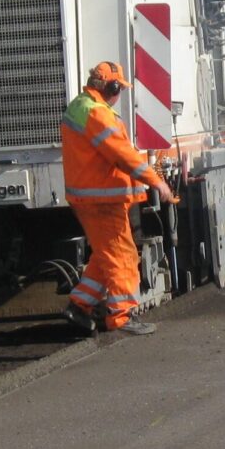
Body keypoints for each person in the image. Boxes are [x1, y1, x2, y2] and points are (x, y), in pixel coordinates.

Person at [59, 61, 174, 335]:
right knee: (122, 256)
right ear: (110, 87)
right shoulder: (97, 115)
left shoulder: (81, 105)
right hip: (101, 201)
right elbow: (123, 155)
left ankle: (79, 306)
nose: (119, 93)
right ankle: (121, 316)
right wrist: (156, 181)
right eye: (119, 88)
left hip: (94, 198)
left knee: (106, 255)